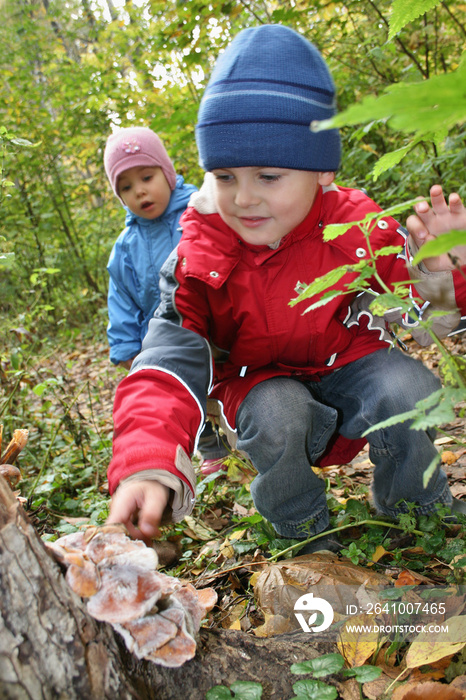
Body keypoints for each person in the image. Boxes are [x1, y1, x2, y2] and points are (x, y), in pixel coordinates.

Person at [106, 25, 466, 550]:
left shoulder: (356, 228)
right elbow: (164, 361)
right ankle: (301, 529)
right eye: (224, 176)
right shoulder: (200, 254)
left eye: (268, 176)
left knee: (408, 386)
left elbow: (420, 316)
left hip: (346, 360)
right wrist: (147, 458)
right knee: (278, 410)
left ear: (321, 171)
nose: (243, 198)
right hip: (258, 383)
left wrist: (443, 274)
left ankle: (415, 508)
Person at [104, 126, 228, 472]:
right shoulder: (126, 247)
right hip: (165, 334)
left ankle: (244, 437)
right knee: (184, 389)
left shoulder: (200, 208)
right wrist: (127, 346)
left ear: (167, 172)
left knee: (228, 384)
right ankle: (211, 448)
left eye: (147, 176)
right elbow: (122, 298)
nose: (140, 191)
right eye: (126, 187)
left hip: (216, 324)